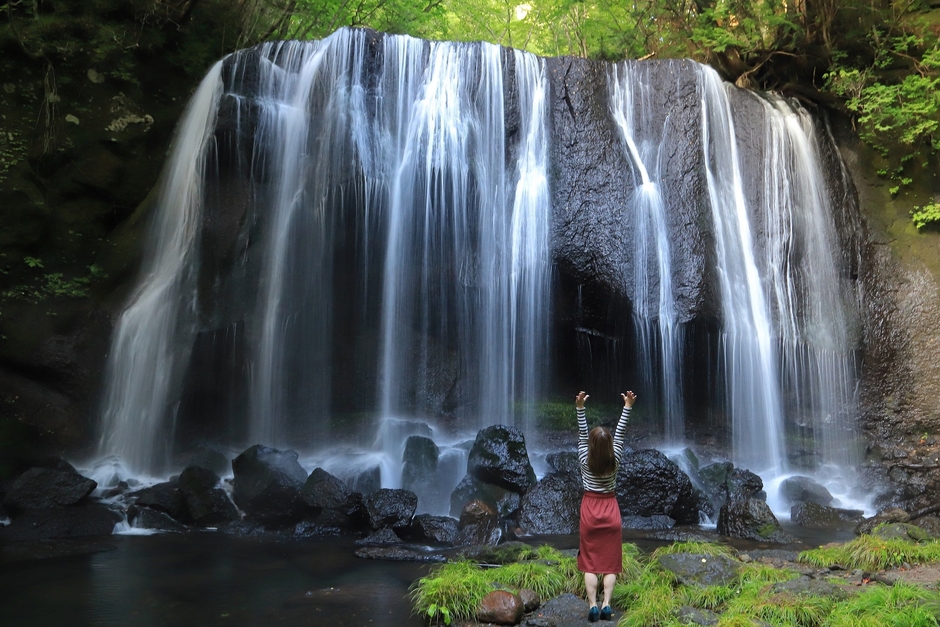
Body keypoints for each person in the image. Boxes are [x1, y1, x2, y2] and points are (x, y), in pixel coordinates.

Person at [575, 389, 636, 622]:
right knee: (610, 563)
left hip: (590, 510)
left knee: (590, 562)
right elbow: (620, 434)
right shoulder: (616, 458)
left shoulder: (584, 458)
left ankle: (592, 606)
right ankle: (607, 605)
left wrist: (580, 408)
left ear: (590, 446)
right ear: (610, 445)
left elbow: (582, 434)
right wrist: (627, 406)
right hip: (610, 510)